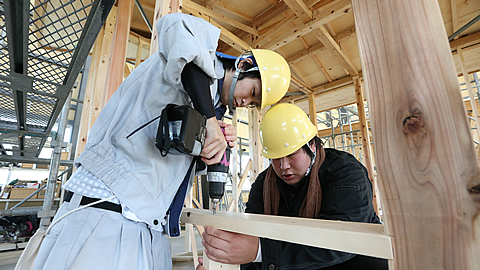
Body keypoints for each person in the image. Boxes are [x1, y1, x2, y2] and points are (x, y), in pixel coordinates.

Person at [29, 13, 290, 270]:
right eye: (252, 92)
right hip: (106, 206)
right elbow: (176, 28)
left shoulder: (209, 108)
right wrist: (209, 122)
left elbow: (169, 156)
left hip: (147, 220)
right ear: (243, 66)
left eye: (253, 104)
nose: (245, 102)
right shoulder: (199, 55)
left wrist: (205, 151)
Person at [199, 103, 388, 270]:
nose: (283, 166)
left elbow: (343, 241)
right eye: (275, 158)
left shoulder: (345, 173)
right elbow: (251, 243)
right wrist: (226, 261)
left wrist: (259, 251)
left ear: (312, 145)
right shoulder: (265, 184)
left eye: (291, 154)